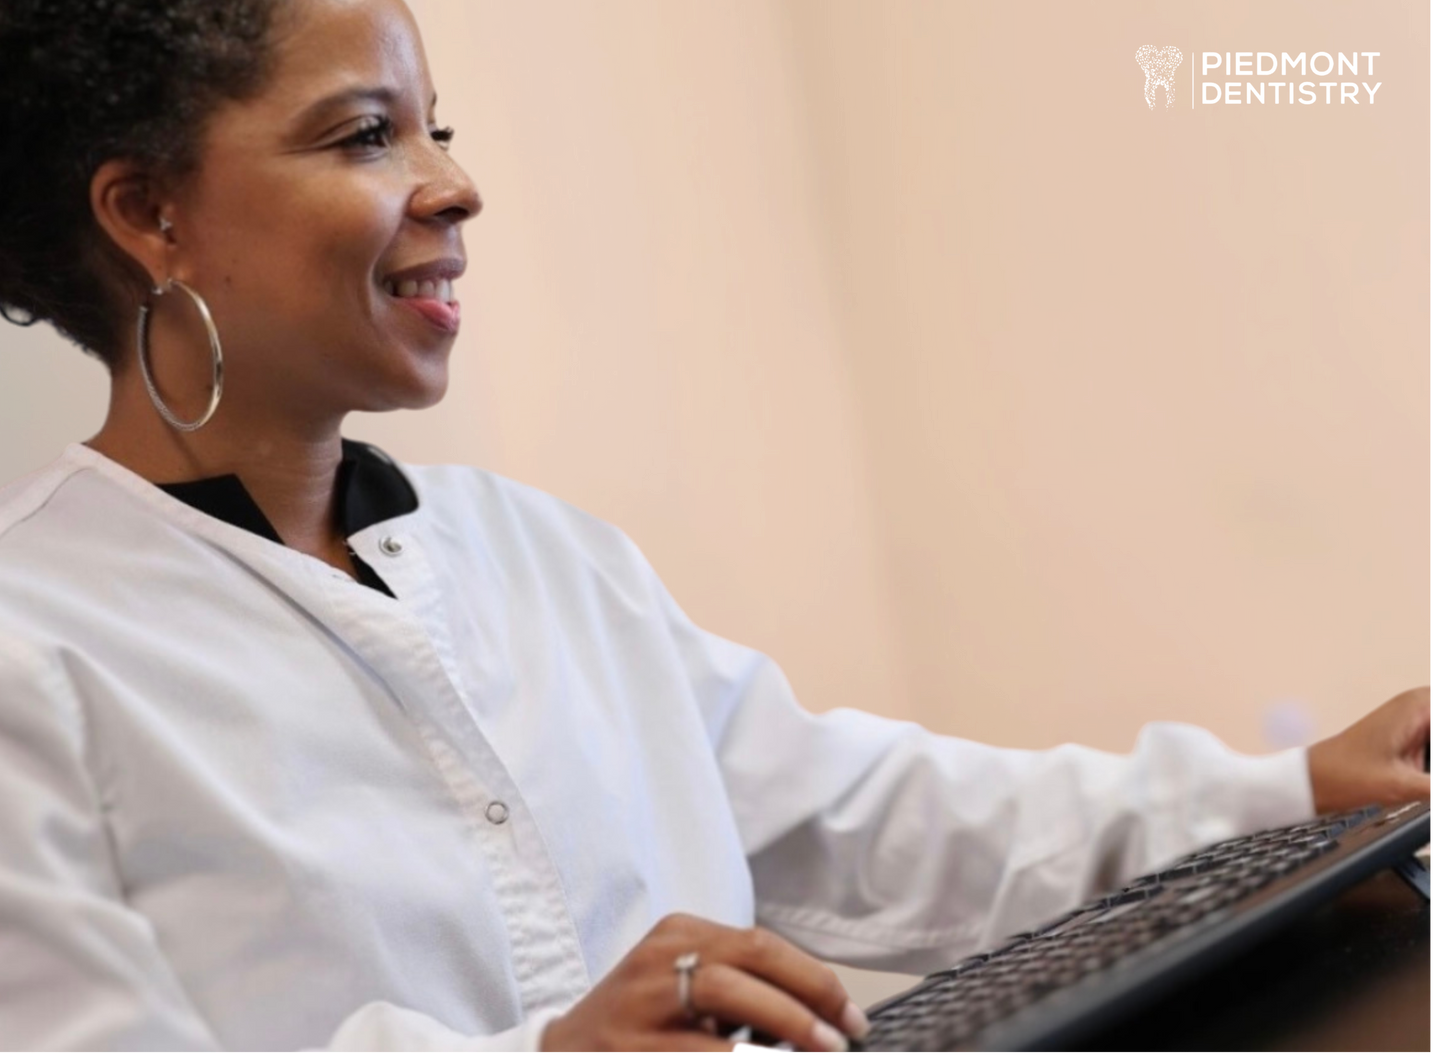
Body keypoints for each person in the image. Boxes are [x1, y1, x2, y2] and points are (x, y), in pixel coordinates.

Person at [0, 0, 1429, 1052]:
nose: (452, 181)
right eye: (366, 133)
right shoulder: (32, 630)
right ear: (147, 215)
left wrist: (1294, 791)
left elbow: (871, 816)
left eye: (437, 124)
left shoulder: (546, 555)